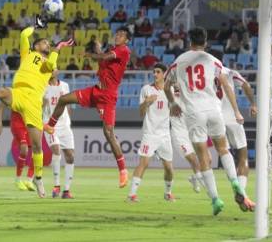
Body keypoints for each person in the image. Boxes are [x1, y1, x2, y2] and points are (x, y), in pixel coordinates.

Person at [0, 20, 75, 198]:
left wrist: (57, 48)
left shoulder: (48, 63)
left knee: (37, 146)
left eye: (48, 43)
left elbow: (52, 66)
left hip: (33, 102)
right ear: (36, 45)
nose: (47, 44)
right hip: (19, 92)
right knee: (2, 92)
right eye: (44, 42)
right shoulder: (27, 53)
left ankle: (38, 179)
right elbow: (23, 34)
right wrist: (36, 26)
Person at [164, 27, 254, 215]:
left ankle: (215, 199)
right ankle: (235, 183)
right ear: (205, 42)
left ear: (189, 42)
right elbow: (226, 84)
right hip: (214, 109)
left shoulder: (178, 62)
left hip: (193, 113)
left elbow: (166, 86)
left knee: (203, 156)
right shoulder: (213, 61)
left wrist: (173, 103)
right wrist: (237, 110)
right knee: (223, 149)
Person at [44, 26, 132, 188]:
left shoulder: (124, 50)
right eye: (117, 33)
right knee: (63, 99)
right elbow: (102, 60)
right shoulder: (113, 49)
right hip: (96, 90)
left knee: (108, 133)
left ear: (127, 40)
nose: (118, 36)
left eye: (121, 35)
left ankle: (123, 171)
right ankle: (50, 126)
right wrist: (97, 49)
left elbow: (104, 57)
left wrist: (90, 53)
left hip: (108, 96)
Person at [127, 64, 175, 202]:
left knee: (169, 168)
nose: (155, 74)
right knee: (144, 163)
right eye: (154, 72)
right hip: (150, 133)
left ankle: (168, 193)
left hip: (165, 135)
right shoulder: (146, 90)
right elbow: (141, 113)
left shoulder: (170, 90)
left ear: (164, 74)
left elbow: (174, 110)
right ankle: (131, 195)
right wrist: (146, 102)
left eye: (158, 72)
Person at [220, 65, 257, 201]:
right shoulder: (230, 71)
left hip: (215, 118)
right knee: (243, 156)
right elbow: (246, 85)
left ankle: (234, 183)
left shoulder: (204, 71)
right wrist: (253, 104)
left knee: (224, 153)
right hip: (232, 117)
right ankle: (242, 192)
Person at [164, 85, 205, 193]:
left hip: (192, 130)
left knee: (205, 160)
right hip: (179, 134)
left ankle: (194, 178)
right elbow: (167, 90)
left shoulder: (189, 93)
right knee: (192, 158)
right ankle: (208, 189)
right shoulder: (170, 93)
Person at [43, 72, 76, 199]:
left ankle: (66, 191)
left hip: (65, 125)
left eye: (54, 69)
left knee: (71, 156)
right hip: (50, 125)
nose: (52, 71)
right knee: (56, 151)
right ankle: (56, 185)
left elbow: (67, 105)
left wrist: (68, 122)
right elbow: (40, 107)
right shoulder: (43, 87)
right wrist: (43, 102)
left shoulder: (65, 86)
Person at [0, 102, 35, 191]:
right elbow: (1, 105)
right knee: (24, 149)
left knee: (36, 150)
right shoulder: (14, 93)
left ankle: (29, 180)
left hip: (31, 124)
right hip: (18, 125)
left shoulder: (33, 93)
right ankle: (18, 179)